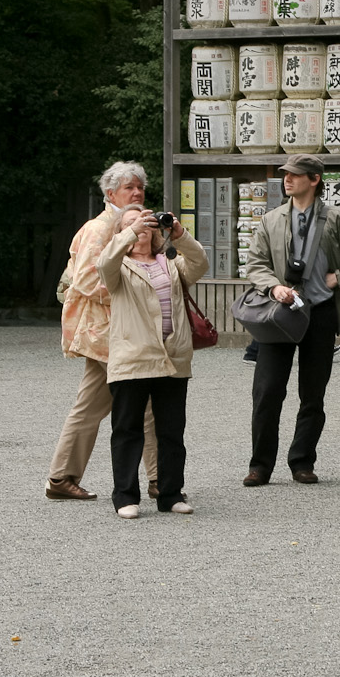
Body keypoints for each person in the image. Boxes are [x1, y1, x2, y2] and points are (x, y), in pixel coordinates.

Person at [241, 154, 340, 487]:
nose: (287, 179)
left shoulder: (338, 218)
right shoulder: (272, 220)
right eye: (286, 174)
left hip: (320, 312)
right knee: (267, 391)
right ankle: (260, 465)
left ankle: (302, 461)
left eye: (295, 175)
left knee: (312, 394)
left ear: (314, 179)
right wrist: (274, 287)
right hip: (281, 313)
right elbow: (255, 263)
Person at [48, 162, 158, 502]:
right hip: (108, 332)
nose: (137, 192)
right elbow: (86, 280)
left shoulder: (121, 222)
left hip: (112, 333)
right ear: (110, 194)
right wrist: (133, 294)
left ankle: (62, 476)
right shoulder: (102, 227)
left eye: (139, 186)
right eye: (129, 187)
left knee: (98, 404)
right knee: (144, 404)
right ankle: (159, 479)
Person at [97, 208, 208, 518]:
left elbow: (200, 262)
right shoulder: (118, 267)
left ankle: (171, 493)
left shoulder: (171, 263)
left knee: (172, 431)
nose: (141, 226)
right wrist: (130, 233)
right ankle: (125, 496)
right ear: (121, 232)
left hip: (172, 357)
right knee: (128, 430)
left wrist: (180, 233)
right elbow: (103, 262)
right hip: (133, 358)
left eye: (145, 221)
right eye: (131, 222)